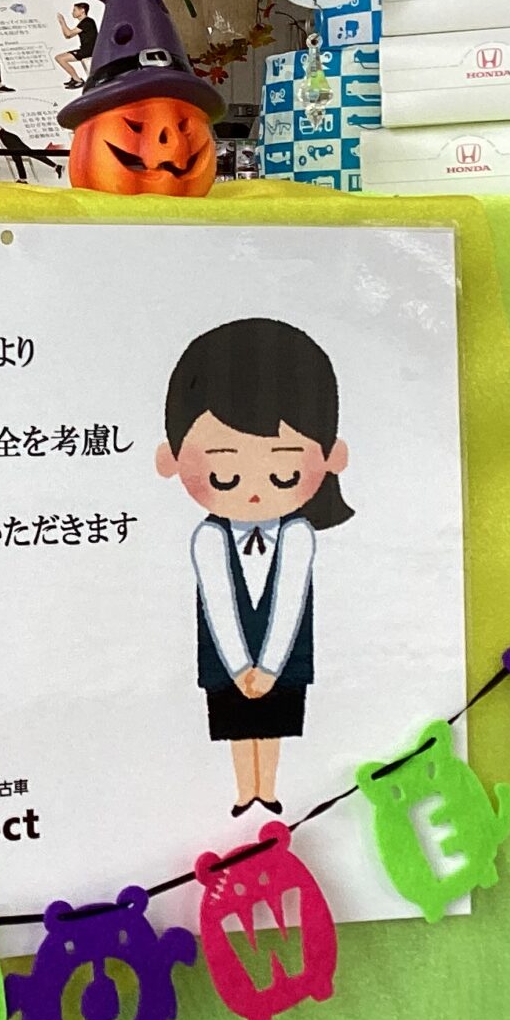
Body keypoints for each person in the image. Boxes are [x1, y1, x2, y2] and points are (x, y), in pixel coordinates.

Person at [152, 318, 353, 817]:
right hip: (227, 655)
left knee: (276, 719)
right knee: (237, 723)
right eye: (224, 473)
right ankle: (246, 790)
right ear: (170, 459)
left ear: (332, 457)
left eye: (284, 471)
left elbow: (291, 602)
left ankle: (269, 787)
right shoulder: (208, 538)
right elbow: (218, 604)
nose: (256, 491)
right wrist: (242, 667)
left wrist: (269, 667)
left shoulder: (299, 534)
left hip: (283, 651)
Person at [55, 2, 95, 88]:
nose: (72, 12)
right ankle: (76, 79)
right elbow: (68, 36)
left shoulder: (87, 22)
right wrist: (62, 24)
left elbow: (68, 33)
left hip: (89, 50)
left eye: (74, 10)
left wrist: (62, 22)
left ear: (82, 10)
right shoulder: (84, 23)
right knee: (60, 58)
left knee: (60, 58)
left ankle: (77, 80)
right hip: (86, 49)